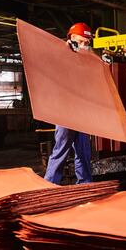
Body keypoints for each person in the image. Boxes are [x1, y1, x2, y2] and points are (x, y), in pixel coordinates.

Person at [44, 23, 94, 185]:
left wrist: (103, 62)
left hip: (83, 110)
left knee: (83, 150)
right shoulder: (60, 53)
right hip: (65, 110)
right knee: (61, 149)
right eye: (81, 41)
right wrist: (66, 51)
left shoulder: (84, 56)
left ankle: (85, 183)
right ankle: (50, 184)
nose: (84, 45)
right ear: (72, 38)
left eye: (87, 43)